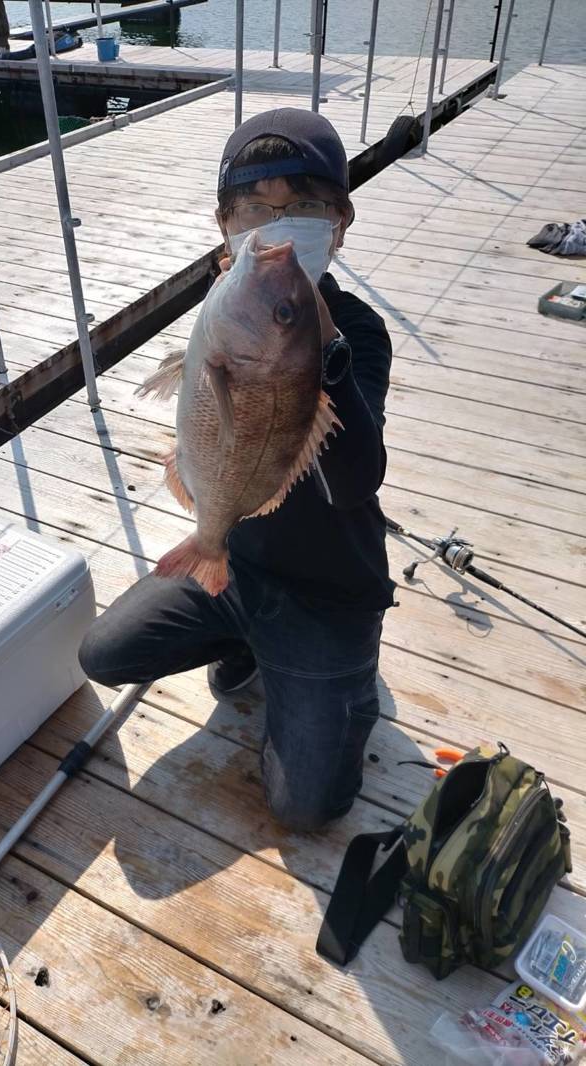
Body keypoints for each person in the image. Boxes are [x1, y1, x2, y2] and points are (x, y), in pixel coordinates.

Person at [79, 108, 395, 833]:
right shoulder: (233, 307)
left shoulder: (360, 334)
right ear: (226, 223)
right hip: (238, 564)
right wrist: (256, 306)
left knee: (307, 809)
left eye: (306, 205)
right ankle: (248, 641)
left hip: (329, 593)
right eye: (257, 207)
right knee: (105, 652)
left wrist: (314, 335)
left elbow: (353, 481)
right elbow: (190, 392)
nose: (279, 223)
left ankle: (341, 687)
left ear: (340, 222)